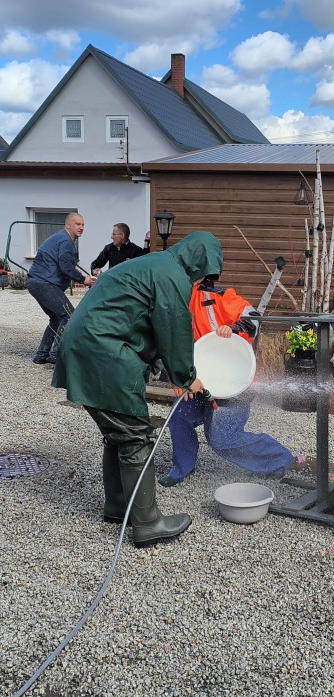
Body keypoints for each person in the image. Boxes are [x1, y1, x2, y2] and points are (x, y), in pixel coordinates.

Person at [52, 231, 223, 549]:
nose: (200, 284)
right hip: (104, 350)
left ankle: (120, 507)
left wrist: (165, 369)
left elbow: (143, 321)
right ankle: (147, 523)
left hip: (89, 343)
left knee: (119, 432)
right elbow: (173, 327)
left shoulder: (155, 264)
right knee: (134, 435)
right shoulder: (172, 275)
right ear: (199, 262)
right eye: (204, 277)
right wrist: (186, 377)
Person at [158, 278, 293, 487]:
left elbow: (254, 318)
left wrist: (234, 328)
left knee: (221, 440)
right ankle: (182, 467)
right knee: (179, 416)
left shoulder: (216, 295)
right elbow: (169, 345)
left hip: (234, 384)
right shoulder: (171, 306)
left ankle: (277, 460)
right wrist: (178, 378)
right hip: (200, 382)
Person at [26, 213, 94, 365]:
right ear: (67, 225)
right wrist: (84, 280)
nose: (81, 228)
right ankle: (56, 354)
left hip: (35, 282)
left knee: (56, 319)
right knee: (69, 315)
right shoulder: (66, 241)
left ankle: (42, 354)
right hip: (45, 283)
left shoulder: (60, 238)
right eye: (77, 224)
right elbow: (65, 266)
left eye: (83, 225)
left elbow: (64, 265)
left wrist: (78, 275)